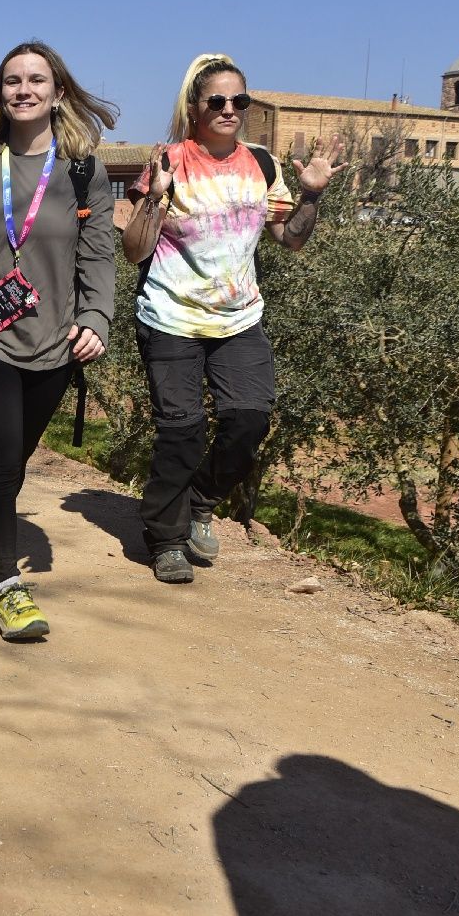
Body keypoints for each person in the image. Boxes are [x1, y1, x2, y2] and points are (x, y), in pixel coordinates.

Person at [123, 53, 345, 583]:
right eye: (217, 100)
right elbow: (134, 250)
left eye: (238, 101)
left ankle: (202, 498)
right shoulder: (169, 161)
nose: (229, 109)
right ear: (196, 107)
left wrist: (311, 193)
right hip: (171, 315)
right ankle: (166, 537)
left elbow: (290, 240)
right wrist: (153, 200)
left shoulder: (261, 164)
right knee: (181, 428)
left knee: (249, 417)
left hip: (239, 319)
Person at [0, 42, 117, 640]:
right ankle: (7, 586)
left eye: (36, 80)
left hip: (53, 344)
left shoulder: (83, 172)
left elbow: (99, 257)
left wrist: (97, 318)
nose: (24, 90)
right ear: (0, 94)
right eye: (12, 81)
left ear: (58, 92)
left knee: (13, 463)